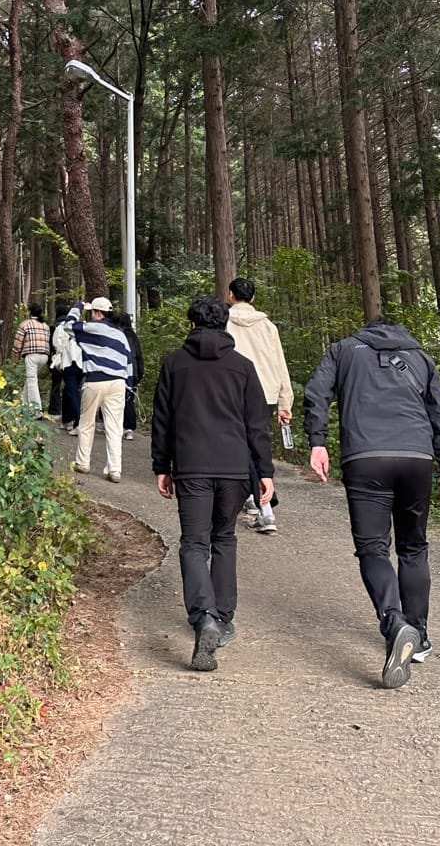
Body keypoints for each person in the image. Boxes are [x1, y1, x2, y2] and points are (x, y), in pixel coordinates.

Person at [304, 315, 440, 690]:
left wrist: (317, 441)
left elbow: (316, 394)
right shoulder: (420, 357)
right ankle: (418, 635)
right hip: (416, 458)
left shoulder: (343, 350)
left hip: (365, 457)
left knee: (373, 548)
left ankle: (394, 621)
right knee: (414, 547)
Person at [151, 295, 274, 672]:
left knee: (193, 543)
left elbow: (162, 420)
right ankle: (222, 616)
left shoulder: (175, 363)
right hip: (234, 468)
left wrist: (162, 466)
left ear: (191, 324)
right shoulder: (242, 367)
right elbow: (257, 425)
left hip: (191, 467)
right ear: (225, 325)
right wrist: (265, 472)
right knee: (224, 538)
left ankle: (203, 616)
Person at [227, 277, 294, 535]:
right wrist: (285, 401)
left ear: (230, 295)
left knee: (240, 447)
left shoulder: (223, 321)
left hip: (233, 392)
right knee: (256, 446)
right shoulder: (267, 326)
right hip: (265, 392)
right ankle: (256, 502)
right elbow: (280, 363)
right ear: (253, 298)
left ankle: (263, 507)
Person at [66, 297, 131, 482]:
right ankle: (115, 469)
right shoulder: (121, 334)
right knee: (115, 427)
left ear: (96, 313)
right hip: (118, 382)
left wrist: (78, 307)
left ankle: (83, 462)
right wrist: (129, 384)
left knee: (87, 423)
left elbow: (68, 326)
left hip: (95, 379)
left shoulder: (92, 327)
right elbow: (128, 362)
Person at [12, 304, 51, 418]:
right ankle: (23, 403)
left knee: (32, 380)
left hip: (32, 355)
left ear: (30, 312)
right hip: (44, 356)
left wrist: (15, 358)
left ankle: (36, 410)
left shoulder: (25, 324)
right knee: (31, 379)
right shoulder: (45, 326)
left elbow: (18, 343)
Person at [52, 302, 83, 433]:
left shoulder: (61, 327)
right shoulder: (81, 327)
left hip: (68, 362)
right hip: (81, 362)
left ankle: (77, 422)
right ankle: (66, 419)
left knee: (72, 391)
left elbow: (56, 344)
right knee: (70, 390)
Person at [117, 310, 145, 439]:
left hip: (119, 371)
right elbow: (139, 356)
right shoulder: (133, 336)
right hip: (132, 372)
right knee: (129, 399)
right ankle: (129, 428)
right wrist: (139, 374)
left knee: (116, 400)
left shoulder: (117, 335)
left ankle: (118, 426)